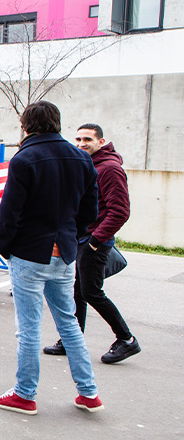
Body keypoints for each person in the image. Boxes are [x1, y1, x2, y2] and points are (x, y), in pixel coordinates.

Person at [0, 100, 102, 415]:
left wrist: (5, 245)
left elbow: (10, 211)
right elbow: (90, 212)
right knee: (68, 323)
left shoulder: (25, 158)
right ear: (58, 123)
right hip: (63, 251)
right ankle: (89, 392)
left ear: (26, 126)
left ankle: (25, 393)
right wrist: (71, 236)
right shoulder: (82, 159)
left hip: (29, 251)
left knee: (28, 326)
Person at [43, 123, 139, 364]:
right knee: (78, 291)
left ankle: (126, 340)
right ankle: (71, 339)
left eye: (87, 139)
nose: (81, 144)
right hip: (82, 238)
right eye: (78, 139)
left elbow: (120, 211)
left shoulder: (109, 169)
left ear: (101, 141)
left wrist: (96, 241)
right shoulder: (89, 165)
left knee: (91, 292)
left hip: (95, 240)